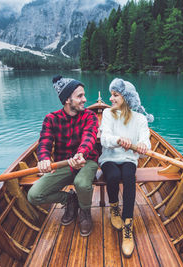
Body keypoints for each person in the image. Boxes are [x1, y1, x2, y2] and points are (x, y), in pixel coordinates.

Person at [27, 75, 99, 237]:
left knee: (81, 183)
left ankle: (85, 212)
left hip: (87, 160)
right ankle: (69, 200)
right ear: (67, 99)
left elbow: (90, 136)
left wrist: (81, 153)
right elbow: (44, 142)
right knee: (34, 195)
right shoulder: (51, 119)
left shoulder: (90, 116)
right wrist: (44, 158)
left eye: (83, 95)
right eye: (79, 96)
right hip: (63, 164)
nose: (85, 99)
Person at [99, 78, 154, 257]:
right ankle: (114, 207)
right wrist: (118, 140)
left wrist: (144, 146)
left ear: (126, 98)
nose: (111, 98)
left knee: (130, 177)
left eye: (115, 95)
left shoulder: (140, 119)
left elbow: (145, 144)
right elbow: (104, 138)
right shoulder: (108, 113)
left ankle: (127, 224)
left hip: (129, 158)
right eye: (111, 95)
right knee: (113, 175)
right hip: (109, 157)